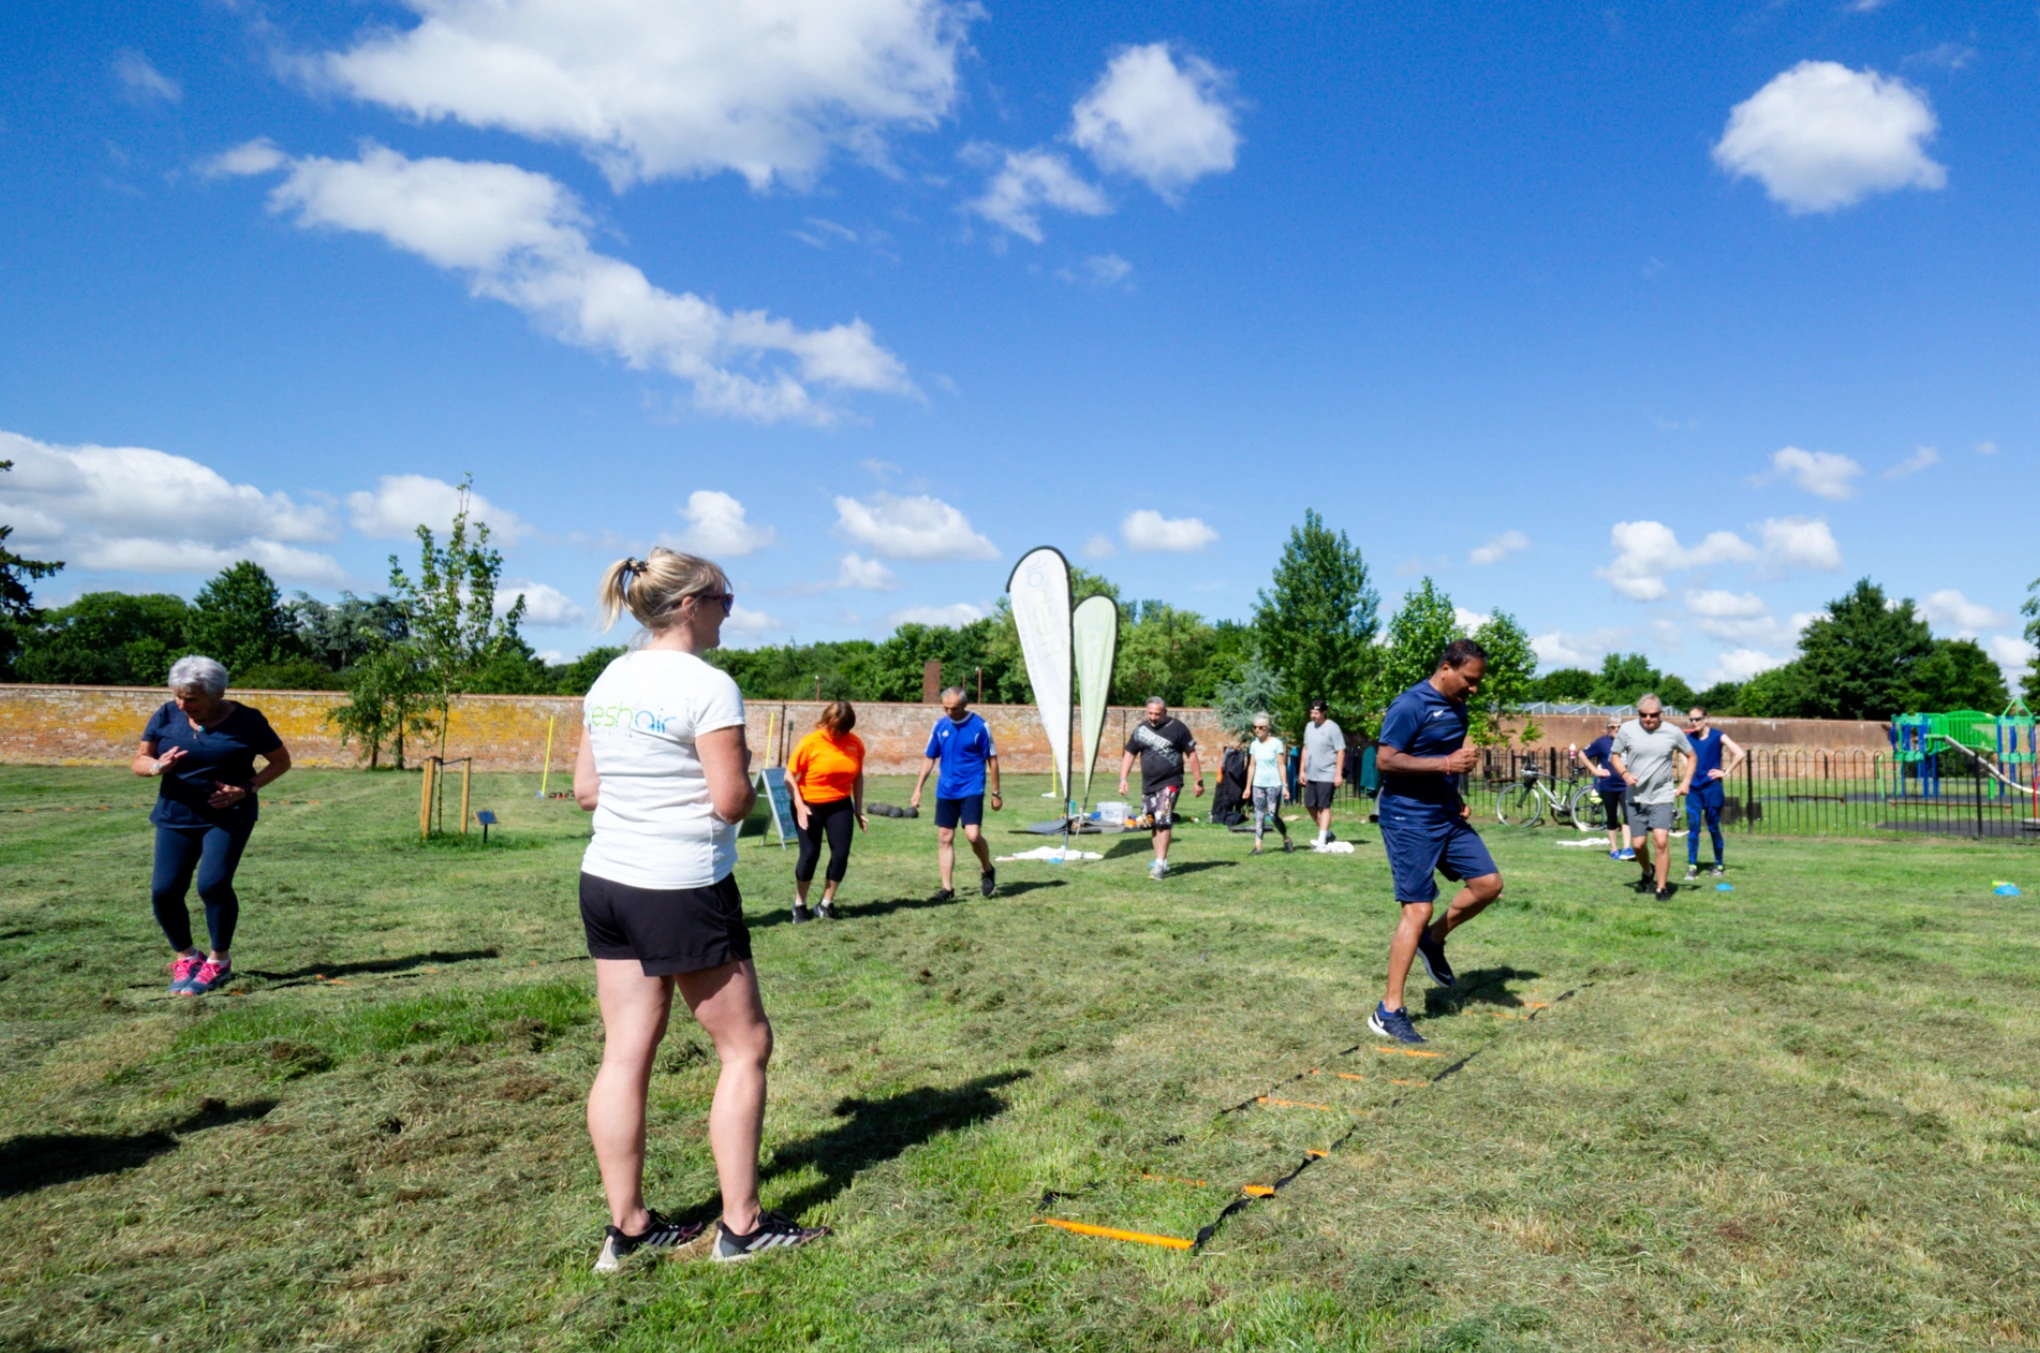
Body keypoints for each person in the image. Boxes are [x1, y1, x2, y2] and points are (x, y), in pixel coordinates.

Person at [575, 548, 827, 1272]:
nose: (730, 608)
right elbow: (731, 801)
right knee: (745, 1046)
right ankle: (741, 1226)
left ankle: (627, 1228)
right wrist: (741, 775)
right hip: (679, 885)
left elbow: (588, 789)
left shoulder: (608, 679)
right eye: (725, 596)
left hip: (607, 881)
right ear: (691, 603)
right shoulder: (708, 686)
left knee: (624, 1053)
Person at [1368, 639, 1504, 1045]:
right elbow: (1386, 760)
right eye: (1469, 679)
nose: (1474, 689)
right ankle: (1388, 1011)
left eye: (1477, 682)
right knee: (1417, 908)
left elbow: (1442, 759)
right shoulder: (1410, 704)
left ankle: (1435, 939)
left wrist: (1454, 790)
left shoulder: (1459, 708)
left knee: (1488, 885)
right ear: (1446, 667)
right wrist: (1446, 763)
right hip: (1408, 817)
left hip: (1444, 813)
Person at [131, 656, 291, 997]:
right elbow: (140, 760)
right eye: (178, 696)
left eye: (192, 699)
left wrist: (246, 788)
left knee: (213, 884)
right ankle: (187, 957)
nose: (182, 704)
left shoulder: (247, 720)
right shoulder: (166, 714)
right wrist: (158, 766)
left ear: (217, 695)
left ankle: (219, 961)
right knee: (164, 890)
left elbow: (280, 761)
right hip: (176, 813)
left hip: (228, 814)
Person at [908, 687, 1002, 900]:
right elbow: (929, 757)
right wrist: (917, 789)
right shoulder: (940, 726)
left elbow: (992, 760)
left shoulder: (979, 726)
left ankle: (987, 869)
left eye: (954, 708)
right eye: (946, 708)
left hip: (972, 786)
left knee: (972, 835)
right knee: (944, 836)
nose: (949, 712)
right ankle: (947, 889)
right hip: (946, 789)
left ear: (964, 705)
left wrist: (996, 792)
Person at [785, 702, 867, 923]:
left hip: (840, 805)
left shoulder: (854, 743)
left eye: (843, 729)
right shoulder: (810, 742)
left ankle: (825, 904)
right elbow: (789, 776)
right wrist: (800, 806)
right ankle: (799, 905)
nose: (838, 733)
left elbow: (858, 776)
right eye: (834, 728)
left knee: (840, 854)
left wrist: (858, 809)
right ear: (826, 722)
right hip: (810, 805)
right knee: (810, 854)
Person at [1610, 693, 1694, 902]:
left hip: (1662, 794)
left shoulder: (1672, 732)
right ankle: (1648, 871)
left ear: (1661, 713)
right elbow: (1614, 756)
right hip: (1636, 796)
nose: (1648, 719)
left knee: (1661, 840)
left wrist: (1685, 783)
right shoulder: (1627, 730)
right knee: (1638, 844)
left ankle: (1661, 888)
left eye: (1653, 715)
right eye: (1643, 715)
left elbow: (1692, 756)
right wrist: (1624, 773)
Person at [1118, 697, 1204, 880]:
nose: (1153, 717)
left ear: (1165, 712)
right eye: (1150, 713)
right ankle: (1161, 862)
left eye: (1157, 714)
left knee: (1163, 818)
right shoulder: (1141, 730)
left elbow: (1192, 754)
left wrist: (1198, 780)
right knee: (1153, 822)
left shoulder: (1178, 728)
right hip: (1149, 784)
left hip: (1171, 781)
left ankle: (1159, 863)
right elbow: (1129, 753)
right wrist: (1123, 778)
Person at [1683, 707, 1745, 881]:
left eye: (1697, 719)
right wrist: (1687, 775)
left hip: (1712, 788)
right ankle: (1692, 866)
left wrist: (1725, 772)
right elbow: (1683, 755)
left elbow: (1739, 753)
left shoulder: (1718, 736)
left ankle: (1718, 865)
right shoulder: (1688, 739)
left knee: (1713, 826)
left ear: (1707, 718)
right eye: (1691, 720)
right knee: (1693, 827)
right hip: (1694, 790)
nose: (1694, 722)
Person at [1577, 717, 1636, 862]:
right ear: (1607, 728)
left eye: (1619, 727)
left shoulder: (1628, 741)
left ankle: (1627, 848)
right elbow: (1582, 754)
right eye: (1612, 726)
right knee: (1612, 817)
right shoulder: (1601, 742)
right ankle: (1614, 849)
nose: (1616, 729)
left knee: (1628, 815)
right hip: (1608, 785)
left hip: (1625, 784)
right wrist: (1595, 771)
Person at [1301, 699, 1348, 848]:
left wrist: (1338, 774)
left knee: (1324, 806)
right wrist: (1302, 770)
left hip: (1328, 772)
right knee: (1309, 804)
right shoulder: (1309, 727)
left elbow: (1341, 751)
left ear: (1324, 713)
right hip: (1311, 773)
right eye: (1311, 713)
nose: (1313, 716)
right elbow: (1306, 748)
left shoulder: (1333, 728)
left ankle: (1321, 841)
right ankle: (1327, 833)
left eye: (1316, 713)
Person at [1245, 713, 1293, 855]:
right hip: (1258, 784)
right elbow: (1252, 766)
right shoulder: (1254, 745)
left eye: (1261, 727)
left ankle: (1286, 838)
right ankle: (1258, 847)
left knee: (1273, 815)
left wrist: (1285, 786)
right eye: (1255, 727)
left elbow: (1282, 765)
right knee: (1259, 815)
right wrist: (1248, 787)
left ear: (1268, 728)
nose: (1257, 730)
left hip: (1273, 784)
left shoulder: (1276, 743)